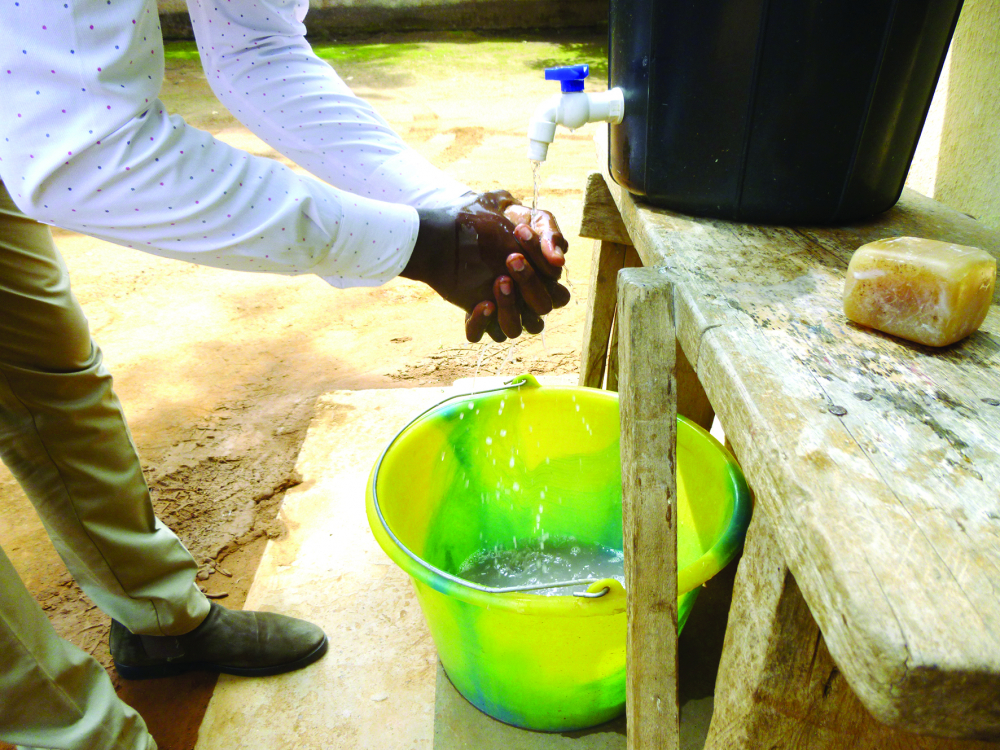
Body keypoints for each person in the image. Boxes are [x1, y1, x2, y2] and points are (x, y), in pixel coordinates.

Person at [0, 1, 570, 748]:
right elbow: (84, 153)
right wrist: (423, 246)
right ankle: (83, 736)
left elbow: (256, 50)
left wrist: (446, 210)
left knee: (49, 382)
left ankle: (163, 625)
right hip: (40, 118)